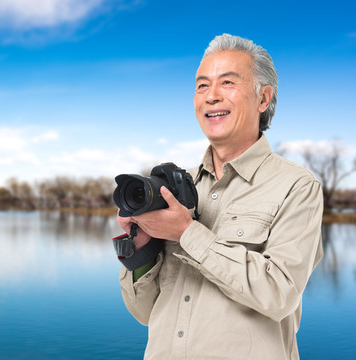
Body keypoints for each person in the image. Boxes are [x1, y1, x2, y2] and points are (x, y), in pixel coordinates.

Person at [116, 33, 323, 359]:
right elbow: (146, 313)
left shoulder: (297, 186)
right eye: (201, 86)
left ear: (263, 99)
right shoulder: (173, 192)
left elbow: (278, 296)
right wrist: (141, 253)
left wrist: (187, 233)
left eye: (227, 83)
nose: (210, 96)